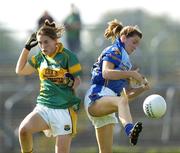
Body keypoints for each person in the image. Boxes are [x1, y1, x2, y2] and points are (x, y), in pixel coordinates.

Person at [84, 19, 150, 153]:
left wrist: (143, 88)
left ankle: (130, 131)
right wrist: (131, 74)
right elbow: (106, 73)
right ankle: (130, 130)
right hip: (96, 97)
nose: (136, 46)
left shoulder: (127, 62)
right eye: (134, 42)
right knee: (121, 101)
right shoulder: (115, 50)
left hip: (109, 105)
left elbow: (128, 93)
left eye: (138, 44)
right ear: (124, 38)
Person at [16, 19, 82, 153]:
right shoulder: (40, 58)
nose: (43, 46)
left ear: (55, 40)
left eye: (46, 42)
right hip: (44, 107)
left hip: (63, 109)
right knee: (23, 130)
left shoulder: (68, 56)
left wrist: (70, 82)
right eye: (40, 43)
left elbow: (78, 81)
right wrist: (27, 48)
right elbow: (20, 70)